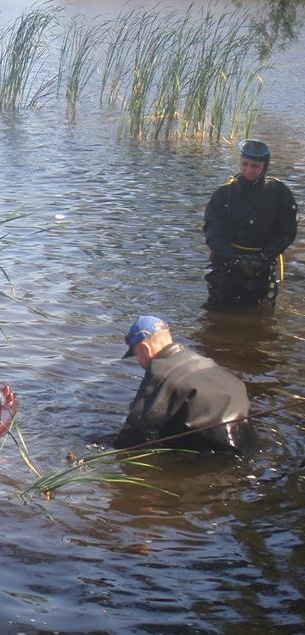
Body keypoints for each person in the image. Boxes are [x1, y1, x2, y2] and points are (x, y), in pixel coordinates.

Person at [114, 315, 255, 452]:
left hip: (214, 453)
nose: (139, 362)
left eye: (137, 354)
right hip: (246, 439)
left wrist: (108, 449)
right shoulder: (203, 361)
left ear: (145, 349)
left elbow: (136, 430)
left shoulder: (160, 372)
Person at [203, 138, 298, 304]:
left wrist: (264, 257)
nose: (248, 170)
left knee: (258, 308)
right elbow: (213, 231)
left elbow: (287, 232)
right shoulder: (224, 193)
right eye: (245, 164)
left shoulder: (279, 194)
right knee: (217, 313)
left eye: (255, 166)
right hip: (226, 265)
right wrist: (233, 259)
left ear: (264, 167)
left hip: (260, 266)